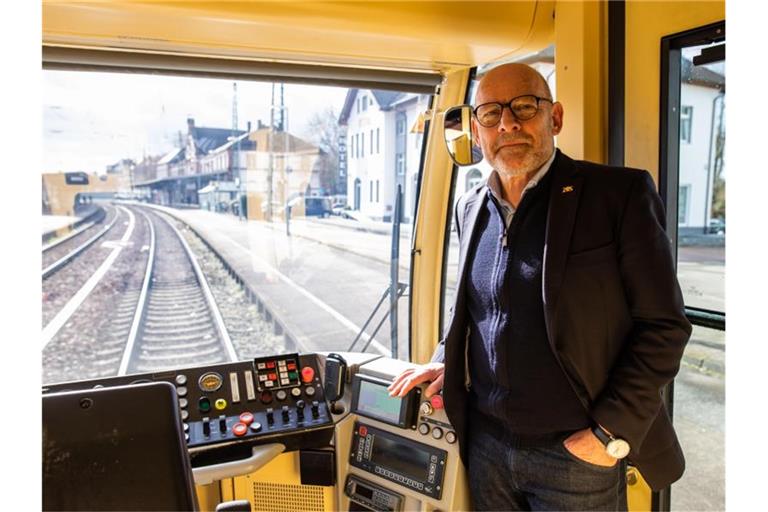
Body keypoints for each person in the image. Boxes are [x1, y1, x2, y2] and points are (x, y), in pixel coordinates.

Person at [388, 63, 691, 511]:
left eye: (524, 107)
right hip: (487, 448)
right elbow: (475, 312)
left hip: (575, 456)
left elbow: (663, 326)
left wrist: (607, 434)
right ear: (476, 131)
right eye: (491, 114)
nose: (507, 123)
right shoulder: (469, 209)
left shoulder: (617, 196)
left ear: (555, 118)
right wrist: (443, 360)